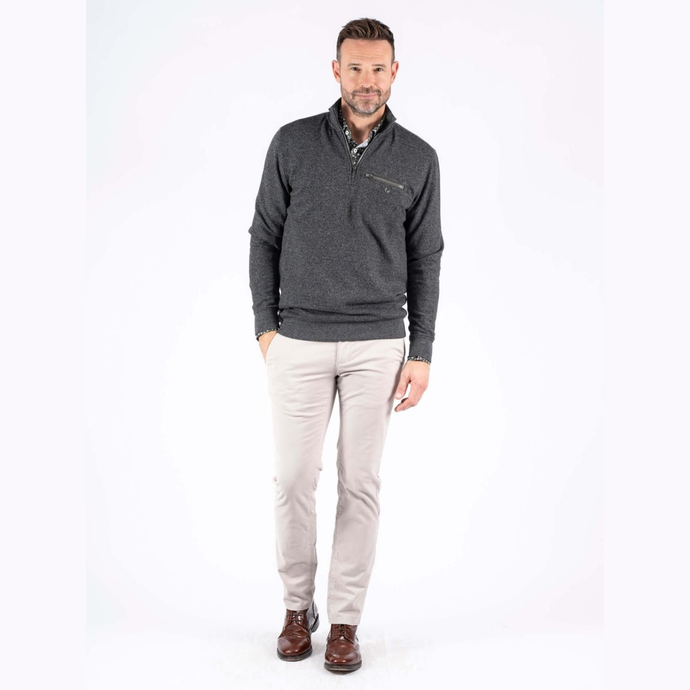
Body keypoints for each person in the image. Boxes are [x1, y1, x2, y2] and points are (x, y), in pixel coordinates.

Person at [248, 17, 444, 673]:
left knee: (360, 484)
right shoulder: (293, 143)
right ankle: (295, 609)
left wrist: (422, 351)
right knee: (293, 481)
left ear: (395, 72)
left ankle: (345, 622)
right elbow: (264, 236)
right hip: (298, 339)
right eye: (355, 68)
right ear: (336, 70)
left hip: (377, 344)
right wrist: (265, 328)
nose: (366, 80)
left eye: (377, 68)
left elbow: (426, 258)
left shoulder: (418, 158)